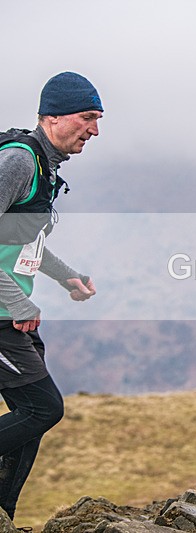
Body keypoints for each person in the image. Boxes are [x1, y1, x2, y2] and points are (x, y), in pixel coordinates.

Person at [0, 72, 101, 522]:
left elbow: (21, 241)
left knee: (30, 419)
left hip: (11, 314)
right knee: (43, 408)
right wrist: (18, 303)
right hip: (6, 313)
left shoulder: (45, 166)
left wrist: (66, 277)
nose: (94, 130)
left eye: (96, 119)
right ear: (53, 116)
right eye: (87, 117)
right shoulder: (19, 161)